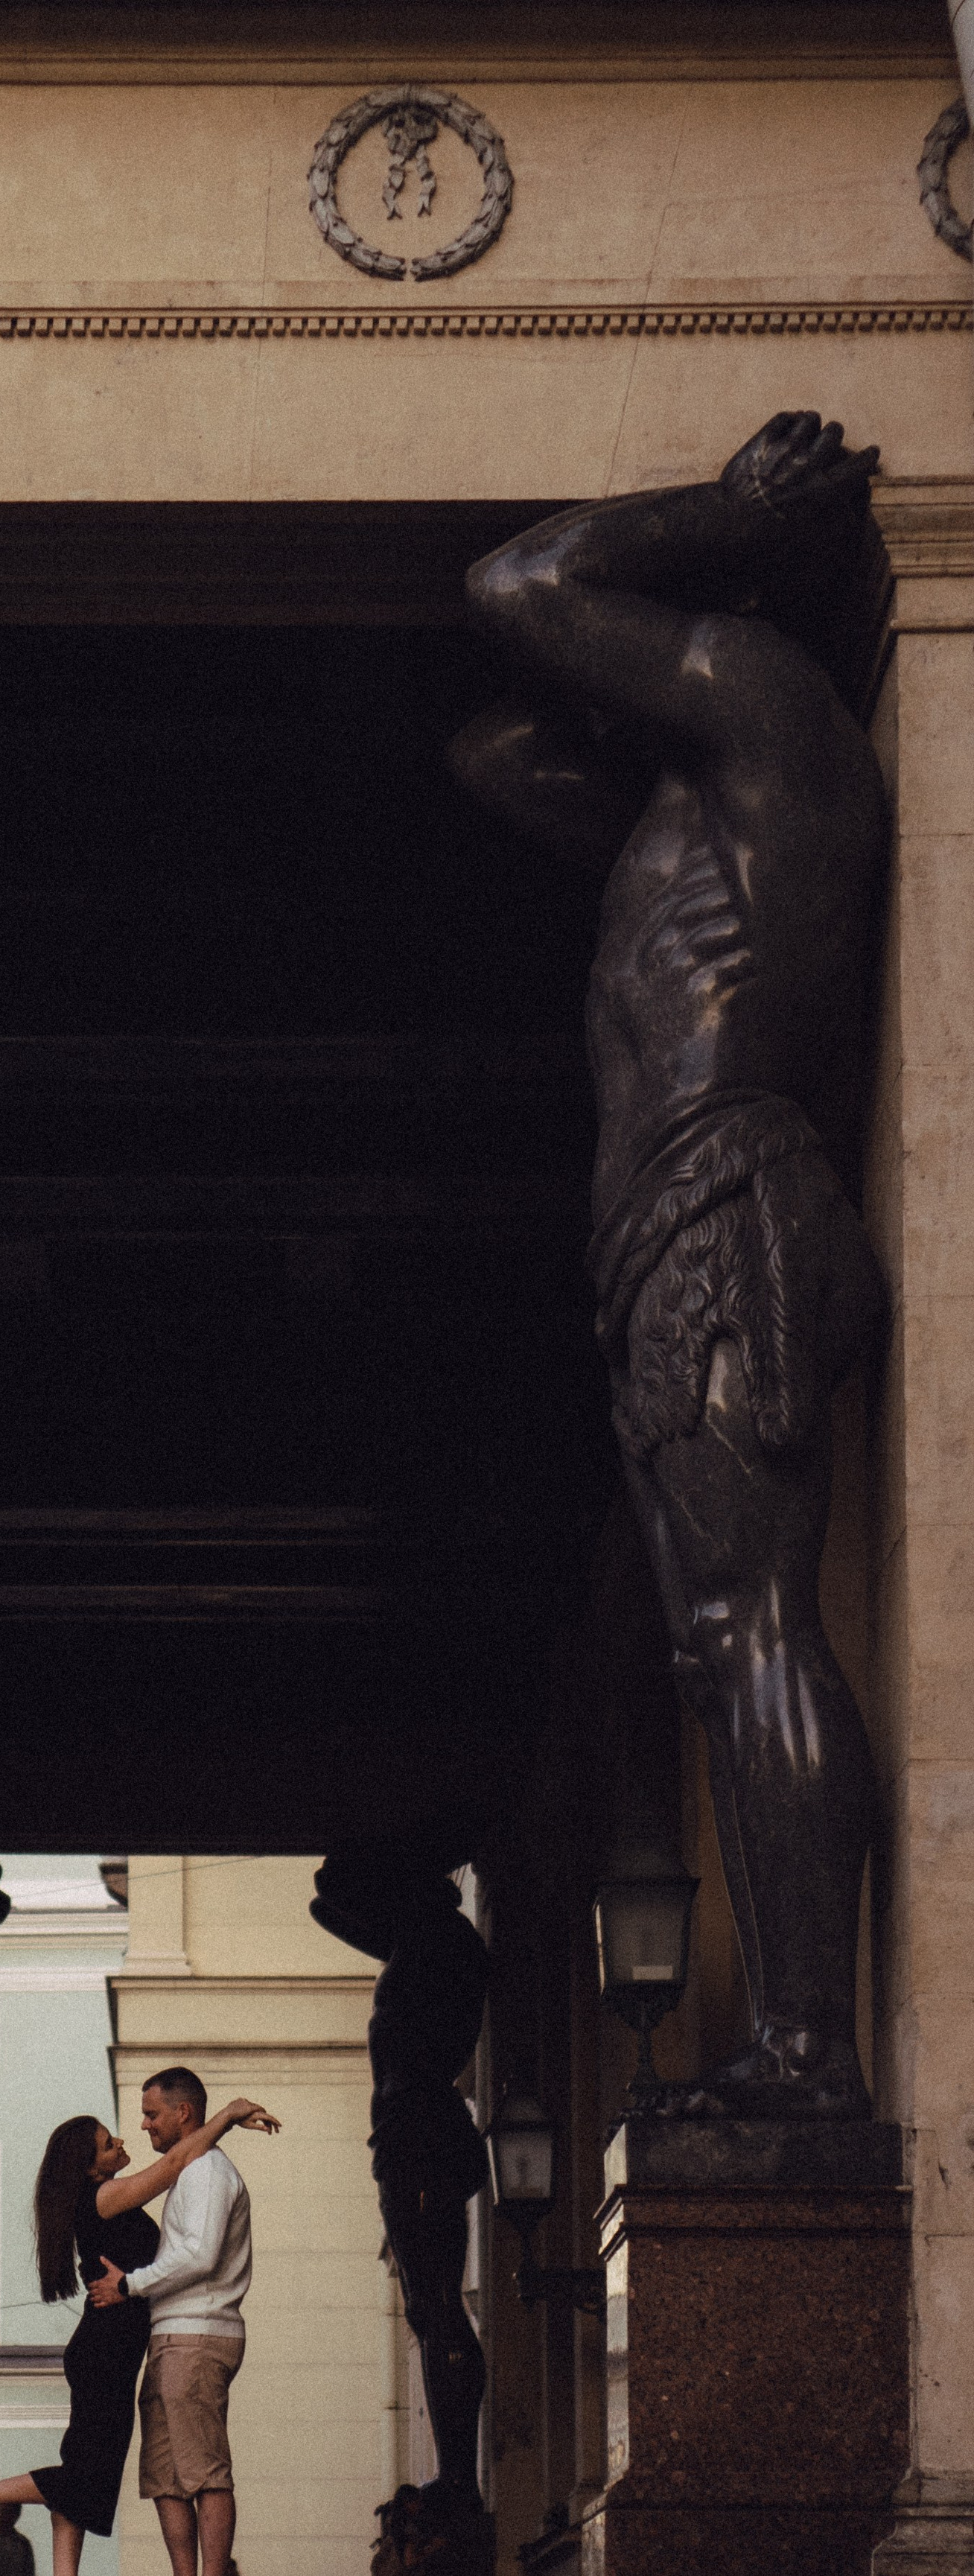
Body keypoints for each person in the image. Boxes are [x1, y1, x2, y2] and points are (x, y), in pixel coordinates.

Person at [451, 412, 887, 2120]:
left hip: (725, 1201)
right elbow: (497, 745)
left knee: (749, 1620)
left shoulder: (770, 709)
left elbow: (521, 581)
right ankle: (795, 2034)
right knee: (719, 1642)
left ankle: (810, 2045)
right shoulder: (688, 798)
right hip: (667, 1232)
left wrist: (710, 519)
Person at [0, 2089, 278, 2576]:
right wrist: (229, 2116)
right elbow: (175, 2163)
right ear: (88, 2165)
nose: (121, 2139)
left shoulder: (103, 2200)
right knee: (86, 2475)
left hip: (108, 2348)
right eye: (106, 2141)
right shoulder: (103, 2197)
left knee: (85, 2468)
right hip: (106, 2352)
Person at [311, 1839, 489, 2528]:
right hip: (414, 2138)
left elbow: (333, 1892)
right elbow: (328, 1900)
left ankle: (458, 2476)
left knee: (439, 2306)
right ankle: (456, 2473)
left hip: (421, 2138)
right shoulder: (426, 1940)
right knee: (431, 2309)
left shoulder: (438, 1944)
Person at [86, 2066, 258, 2576]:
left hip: (200, 2333)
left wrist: (130, 2283)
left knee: (204, 2468)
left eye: (152, 2113)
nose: (143, 2125)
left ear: (184, 2113)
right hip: (170, 2334)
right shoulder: (188, 2169)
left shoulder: (207, 2170)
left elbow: (201, 2256)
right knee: (164, 2473)